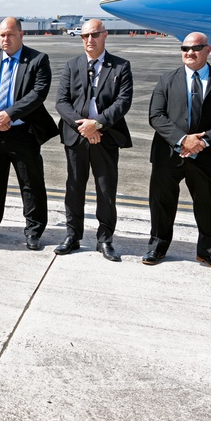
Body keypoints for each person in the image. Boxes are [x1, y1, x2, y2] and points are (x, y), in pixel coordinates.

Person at [144, 32, 211, 270]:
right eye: (185, 48)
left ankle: (209, 253)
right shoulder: (166, 80)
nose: (189, 52)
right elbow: (156, 116)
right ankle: (157, 247)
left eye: (196, 48)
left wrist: (203, 142)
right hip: (169, 152)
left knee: (209, 205)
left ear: (208, 50)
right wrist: (182, 140)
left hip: (208, 154)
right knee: (162, 202)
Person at [0, 17, 59, 249]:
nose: (5, 39)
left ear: (21, 35)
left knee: (31, 184)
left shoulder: (38, 60)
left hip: (23, 133)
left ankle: (33, 230)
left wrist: (8, 114)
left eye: (10, 34)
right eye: (1, 35)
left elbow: (38, 93)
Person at [54, 18, 133, 262]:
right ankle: (73, 236)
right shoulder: (72, 65)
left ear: (105, 35)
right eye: (85, 36)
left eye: (94, 35)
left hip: (105, 137)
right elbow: (61, 102)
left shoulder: (120, 66)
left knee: (106, 189)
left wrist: (97, 125)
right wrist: (84, 127)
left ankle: (105, 239)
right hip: (77, 137)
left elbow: (123, 102)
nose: (90, 40)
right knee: (74, 188)